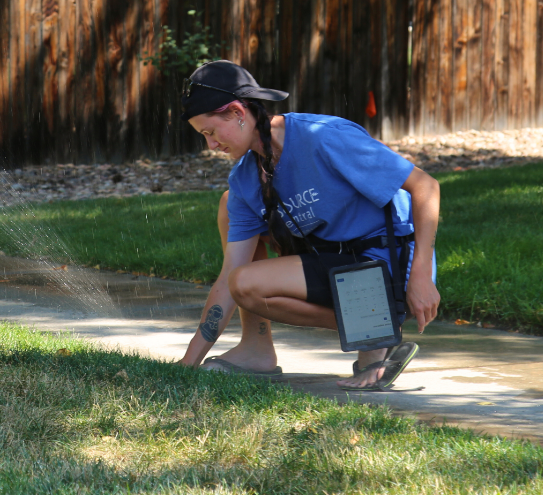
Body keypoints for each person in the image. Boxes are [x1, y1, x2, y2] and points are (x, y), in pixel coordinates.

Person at [178, 60, 441, 390]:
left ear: (236, 112)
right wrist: (187, 364)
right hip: (337, 266)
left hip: (386, 260)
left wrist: (420, 276)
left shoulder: (323, 137)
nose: (211, 146)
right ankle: (260, 350)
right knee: (240, 269)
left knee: (243, 269)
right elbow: (228, 276)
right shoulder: (246, 177)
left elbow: (426, 187)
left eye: (211, 132)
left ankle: (378, 335)